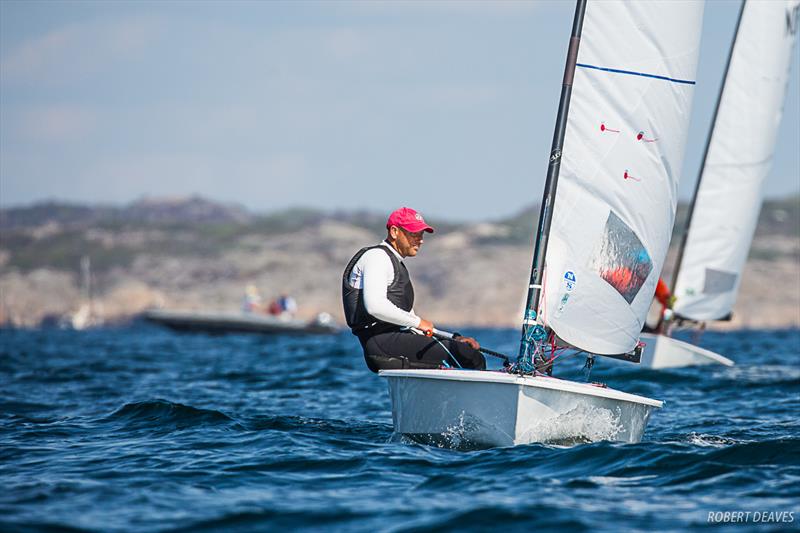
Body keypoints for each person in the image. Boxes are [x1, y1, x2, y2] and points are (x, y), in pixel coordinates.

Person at [342, 207, 486, 373]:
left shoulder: (395, 264)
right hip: (381, 344)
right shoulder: (377, 257)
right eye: (414, 234)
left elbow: (411, 322)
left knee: (466, 351)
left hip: (394, 341)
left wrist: (454, 338)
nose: (420, 240)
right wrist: (418, 322)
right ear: (394, 232)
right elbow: (375, 306)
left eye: (421, 235)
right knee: (468, 357)